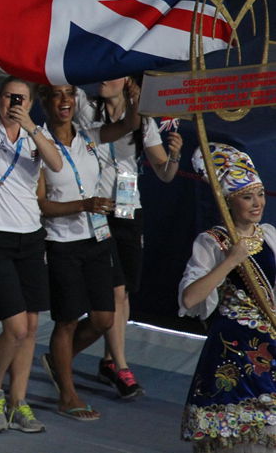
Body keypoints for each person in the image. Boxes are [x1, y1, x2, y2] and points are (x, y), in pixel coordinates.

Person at [0, 61, 62, 434]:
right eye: (7, 96)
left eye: (20, 98)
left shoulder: (32, 136)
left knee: (33, 324)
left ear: (31, 103)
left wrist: (31, 127)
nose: (12, 103)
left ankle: (18, 401)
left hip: (30, 235)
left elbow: (55, 164)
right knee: (16, 326)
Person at [36, 82, 139, 421]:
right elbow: (42, 206)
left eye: (70, 95)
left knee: (102, 319)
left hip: (97, 239)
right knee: (66, 321)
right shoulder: (38, 143)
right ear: (45, 101)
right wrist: (85, 204)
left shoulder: (89, 136)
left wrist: (136, 101)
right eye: (56, 95)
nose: (64, 101)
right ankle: (68, 395)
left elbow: (127, 126)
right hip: (62, 242)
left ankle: (57, 360)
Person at [76, 79, 184, 398]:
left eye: (114, 76)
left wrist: (175, 156)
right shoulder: (86, 108)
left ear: (129, 84)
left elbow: (164, 173)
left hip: (127, 209)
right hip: (97, 209)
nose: (104, 81)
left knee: (125, 293)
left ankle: (109, 360)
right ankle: (122, 367)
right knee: (116, 291)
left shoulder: (144, 122)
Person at [179, 143, 275, 452]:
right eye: (247, 197)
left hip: (270, 345)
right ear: (228, 201)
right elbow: (190, 299)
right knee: (232, 439)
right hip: (232, 350)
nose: (257, 203)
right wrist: (230, 261)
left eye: (259, 194)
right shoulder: (212, 242)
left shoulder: (270, 235)